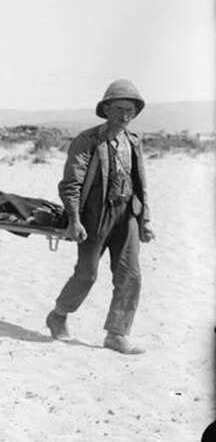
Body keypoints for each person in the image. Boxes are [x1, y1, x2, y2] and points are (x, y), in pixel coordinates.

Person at [45, 79, 154, 355]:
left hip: (127, 213)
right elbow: (71, 183)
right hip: (95, 216)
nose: (124, 115)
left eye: (129, 109)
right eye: (118, 108)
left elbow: (141, 183)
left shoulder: (133, 141)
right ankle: (58, 315)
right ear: (106, 109)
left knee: (131, 275)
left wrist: (145, 220)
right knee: (87, 275)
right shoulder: (88, 140)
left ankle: (117, 334)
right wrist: (74, 219)